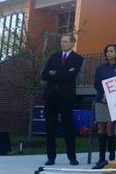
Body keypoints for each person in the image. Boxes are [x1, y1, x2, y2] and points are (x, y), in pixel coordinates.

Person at [41, 34, 84, 166]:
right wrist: (61, 72)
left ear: (72, 43)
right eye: (61, 41)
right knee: (50, 127)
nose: (63, 44)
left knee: (68, 127)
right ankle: (51, 157)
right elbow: (44, 74)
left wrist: (54, 73)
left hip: (66, 97)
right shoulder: (54, 57)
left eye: (65, 42)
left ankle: (72, 157)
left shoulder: (77, 58)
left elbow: (70, 76)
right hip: (51, 97)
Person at [92, 44, 116, 169]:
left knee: (111, 128)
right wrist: (103, 94)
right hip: (101, 100)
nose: (108, 53)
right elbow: (96, 83)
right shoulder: (101, 68)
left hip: (114, 101)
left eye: (111, 51)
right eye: (107, 51)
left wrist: (111, 95)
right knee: (101, 128)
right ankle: (101, 158)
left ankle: (111, 158)